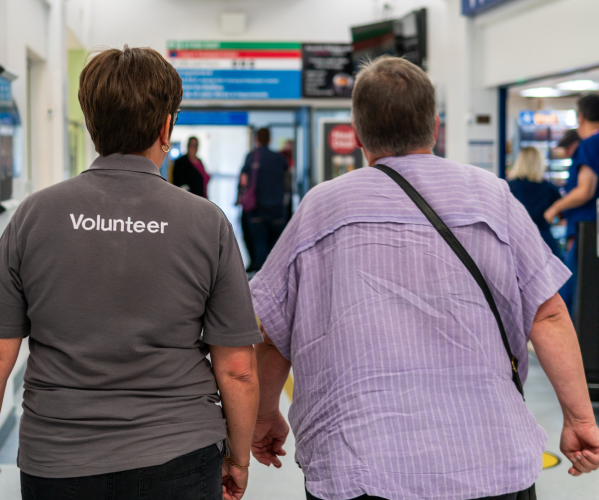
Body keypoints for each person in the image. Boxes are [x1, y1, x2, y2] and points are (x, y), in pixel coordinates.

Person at [249, 56, 599, 500]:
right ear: (435, 127)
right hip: (488, 455)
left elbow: (274, 332)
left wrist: (263, 417)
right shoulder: (491, 195)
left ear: (356, 135)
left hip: (361, 460)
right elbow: (547, 316)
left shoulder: (323, 207)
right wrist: (581, 420)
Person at [0, 46, 262, 500]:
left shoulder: (35, 215)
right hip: (179, 454)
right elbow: (236, 369)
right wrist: (237, 457)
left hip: (58, 460)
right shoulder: (206, 222)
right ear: (165, 126)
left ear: (91, 124)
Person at [545, 95, 599, 314]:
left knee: (575, 297)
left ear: (581, 117)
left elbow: (585, 190)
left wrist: (555, 208)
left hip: (586, 230)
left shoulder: (589, 144)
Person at [239, 128, 289, 272]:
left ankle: (261, 281)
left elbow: (244, 181)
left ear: (257, 139)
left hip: (257, 209)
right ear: (269, 139)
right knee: (276, 248)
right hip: (277, 210)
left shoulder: (251, 157)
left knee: (259, 243)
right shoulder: (279, 158)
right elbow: (286, 183)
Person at [507, 146, 562, 256]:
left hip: (515, 243)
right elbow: (562, 217)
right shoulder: (549, 189)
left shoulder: (508, 187)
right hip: (544, 243)